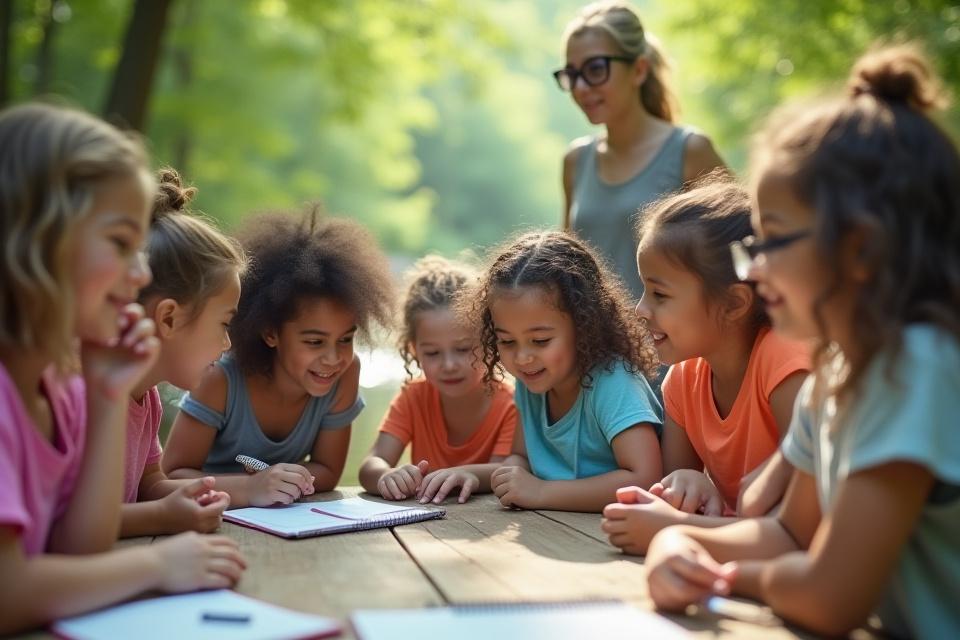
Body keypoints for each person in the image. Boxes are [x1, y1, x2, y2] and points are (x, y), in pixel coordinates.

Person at [643, 45, 960, 637]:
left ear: (860, 249)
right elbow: (787, 532)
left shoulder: (915, 367)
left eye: (774, 241)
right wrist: (678, 541)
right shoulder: (838, 376)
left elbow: (828, 597)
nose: (753, 269)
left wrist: (723, 576)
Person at [0, 104, 244, 634]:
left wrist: (109, 398)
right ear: (37, 238)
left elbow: (80, 547)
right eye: (120, 244)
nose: (140, 274)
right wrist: (155, 565)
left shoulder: (57, 390)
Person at [601, 176, 809, 555]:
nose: (640, 309)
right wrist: (686, 482)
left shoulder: (784, 362)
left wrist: (681, 528)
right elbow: (668, 495)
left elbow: (801, 530)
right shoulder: (682, 380)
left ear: (734, 304)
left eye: (660, 294)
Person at [162, 210, 395, 508]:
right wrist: (252, 486)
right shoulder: (218, 378)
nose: (334, 358)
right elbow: (171, 476)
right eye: (314, 341)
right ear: (270, 332)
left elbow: (328, 471)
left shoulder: (346, 373)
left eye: (346, 339)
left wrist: (279, 482)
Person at [470, 231, 662, 512]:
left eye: (541, 341)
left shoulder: (613, 382)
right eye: (507, 341)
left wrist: (542, 492)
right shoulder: (532, 381)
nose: (522, 357)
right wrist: (474, 476)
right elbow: (521, 458)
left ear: (584, 327)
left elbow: (645, 479)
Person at [558, 0, 725, 301]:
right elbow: (568, 270)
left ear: (638, 70)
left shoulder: (690, 150)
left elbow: (733, 255)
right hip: (592, 346)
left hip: (669, 344)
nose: (581, 87)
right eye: (572, 74)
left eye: (595, 69)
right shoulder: (575, 161)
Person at [120, 168, 247, 537]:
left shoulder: (148, 399)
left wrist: (209, 493)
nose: (227, 343)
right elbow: (73, 525)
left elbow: (149, 486)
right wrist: (163, 517)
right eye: (224, 324)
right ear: (170, 319)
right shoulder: (86, 401)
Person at [359, 256, 517, 504]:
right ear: (414, 351)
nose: (449, 365)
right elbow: (371, 464)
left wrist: (466, 474)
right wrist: (387, 475)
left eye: (463, 349)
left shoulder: (510, 404)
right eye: (432, 353)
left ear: (489, 343)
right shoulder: (413, 397)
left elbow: (504, 472)